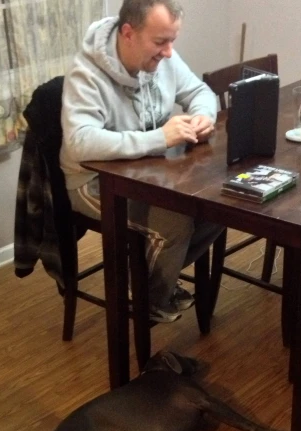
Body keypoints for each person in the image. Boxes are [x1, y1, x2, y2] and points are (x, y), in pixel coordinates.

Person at [60, 0, 224, 322]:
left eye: (172, 40)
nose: (168, 52)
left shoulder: (164, 58)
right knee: (175, 224)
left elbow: (200, 91)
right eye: (160, 42)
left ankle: (151, 280)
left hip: (146, 171)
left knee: (218, 205)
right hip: (91, 181)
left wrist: (204, 115)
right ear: (128, 33)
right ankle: (149, 304)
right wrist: (159, 138)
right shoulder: (87, 74)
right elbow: (79, 143)